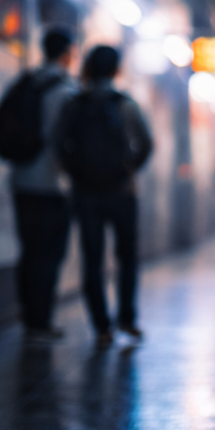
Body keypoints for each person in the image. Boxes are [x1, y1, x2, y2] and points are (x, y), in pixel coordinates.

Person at [54, 45, 154, 347]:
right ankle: (127, 319)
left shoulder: (74, 104)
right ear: (116, 70)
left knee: (92, 260)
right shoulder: (126, 105)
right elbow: (146, 144)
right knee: (127, 258)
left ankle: (101, 327)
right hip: (121, 193)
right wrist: (128, 170)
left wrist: (76, 174)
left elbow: (59, 144)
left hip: (86, 194)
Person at [0, 26, 76, 345]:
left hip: (21, 180)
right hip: (52, 186)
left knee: (29, 251)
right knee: (50, 254)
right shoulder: (64, 89)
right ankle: (41, 320)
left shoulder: (26, 81)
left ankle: (30, 318)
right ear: (67, 52)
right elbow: (60, 141)